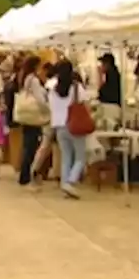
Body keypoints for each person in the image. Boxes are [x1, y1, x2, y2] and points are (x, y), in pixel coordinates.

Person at [49, 60, 88, 199]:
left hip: (58, 126)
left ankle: (65, 184)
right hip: (74, 124)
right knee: (80, 157)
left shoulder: (53, 89)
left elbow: (51, 107)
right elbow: (85, 102)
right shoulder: (77, 88)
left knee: (66, 157)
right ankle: (71, 181)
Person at [15, 55, 49, 189]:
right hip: (33, 116)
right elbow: (40, 99)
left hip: (26, 115)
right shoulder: (33, 80)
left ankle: (24, 175)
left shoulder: (24, 77)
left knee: (27, 145)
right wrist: (47, 109)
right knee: (31, 146)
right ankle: (26, 177)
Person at [97, 53, 123, 126]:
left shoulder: (112, 74)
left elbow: (102, 92)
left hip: (111, 108)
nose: (101, 66)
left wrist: (100, 76)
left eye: (102, 64)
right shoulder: (112, 73)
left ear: (107, 64)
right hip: (112, 106)